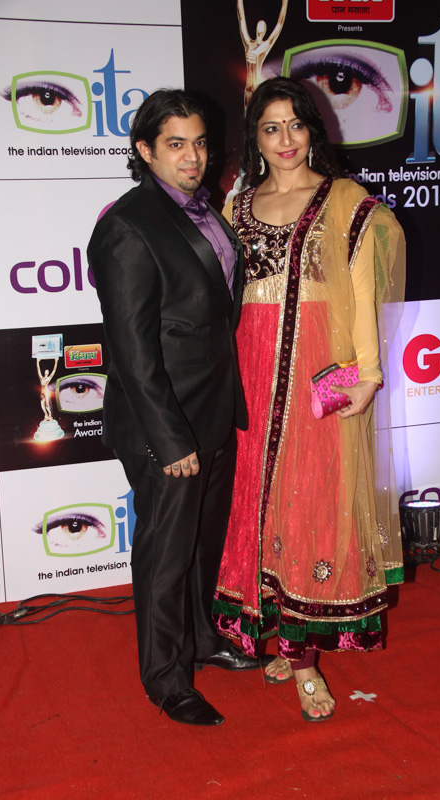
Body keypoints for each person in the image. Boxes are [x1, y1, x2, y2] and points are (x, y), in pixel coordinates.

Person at [213, 77, 406, 722]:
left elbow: (363, 292)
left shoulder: (344, 200)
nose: (286, 139)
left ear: (312, 130)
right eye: (271, 127)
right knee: (260, 500)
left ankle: (302, 659)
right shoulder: (238, 204)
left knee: (314, 498)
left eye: (296, 124)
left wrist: (368, 375)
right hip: (249, 367)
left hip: (318, 367)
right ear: (255, 138)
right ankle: (278, 632)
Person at [87, 89, 269, 728]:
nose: (193, 157)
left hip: (212, 408)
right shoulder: (127, 227)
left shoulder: (203, 209)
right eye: (175, 145)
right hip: (163, 425)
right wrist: (169, 440)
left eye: (199, 143)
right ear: (145, 150)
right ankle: (165, 679)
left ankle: (201, 639)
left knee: (203, 542)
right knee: (166, 552)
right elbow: (132, 352)